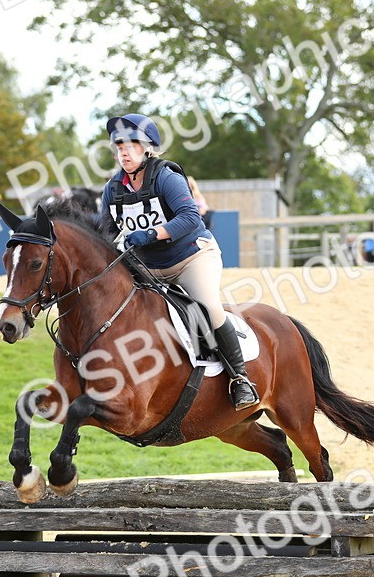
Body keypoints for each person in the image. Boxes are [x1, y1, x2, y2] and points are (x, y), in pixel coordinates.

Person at [98, 113, 258, 410]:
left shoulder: (166, 177)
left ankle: (240, 379)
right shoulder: (112, 190)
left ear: (147, 148)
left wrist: (151, 233)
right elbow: (104, 231)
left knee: (207, 308)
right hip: (147, 266)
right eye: (118, 146)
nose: (123, 151)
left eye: (130, 145)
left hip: (190, 258)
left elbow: (190, 218)